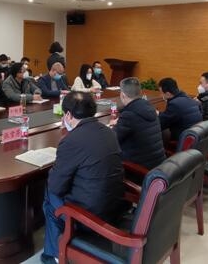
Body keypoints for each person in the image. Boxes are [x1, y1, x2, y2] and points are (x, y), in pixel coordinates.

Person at [41, 92, 124, 263]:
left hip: (90, 215)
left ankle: (55, 255)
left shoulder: (71, 140)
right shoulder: (108, 131)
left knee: (50, 195)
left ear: (68, 115)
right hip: (115, 206)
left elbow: (56, 186)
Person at [110, 77, 166, 169]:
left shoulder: (129, 115)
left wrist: (111, 126)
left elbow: (112, 139)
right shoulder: (150, 107)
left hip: (139, 169)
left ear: (122, 95)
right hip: (158, 164)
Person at [158, 77, 203, 142]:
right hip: (195, 137)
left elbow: (161, 124)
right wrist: (160, 114)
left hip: (182, 141)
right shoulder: (190, 99)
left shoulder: (174, 104)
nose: (160, 95)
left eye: (161, 93)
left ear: (168, 94)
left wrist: (155, 115)